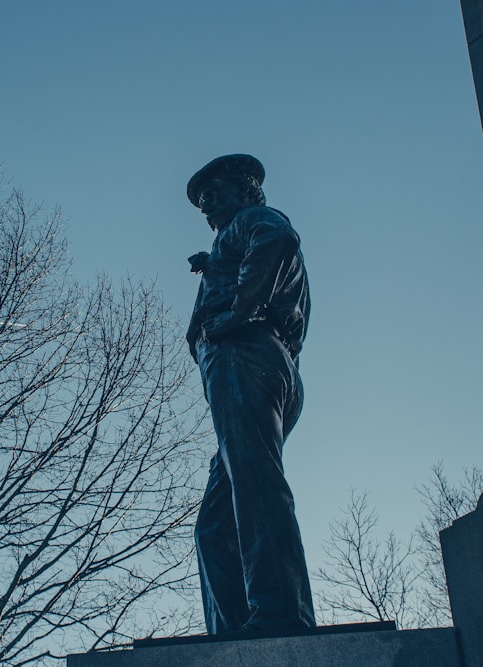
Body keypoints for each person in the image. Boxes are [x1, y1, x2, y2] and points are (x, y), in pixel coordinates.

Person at [185, 154, 316, 636]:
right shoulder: (230, 240)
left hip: (246, 355)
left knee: (256, 485)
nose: (206, 206)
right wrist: (218, 267)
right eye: (202, 202)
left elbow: (276, 240)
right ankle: (235, 635)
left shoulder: (253, 221)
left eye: (214, 194)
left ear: (244, 191)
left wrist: (237, 311)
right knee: (215, 527)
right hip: (251, 364)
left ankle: (280, 614)